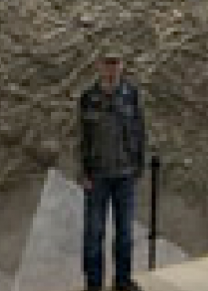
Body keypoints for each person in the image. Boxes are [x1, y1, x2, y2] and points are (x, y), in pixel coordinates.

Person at [78, 48, 147, 291]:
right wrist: (83, 171)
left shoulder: (131, 95)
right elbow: (81, 137)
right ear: (99, 65)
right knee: (94, 233)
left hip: (125, 175)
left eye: (115, 63)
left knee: (125, 233)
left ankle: (122, 280)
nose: (111, 68)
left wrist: (138, 166)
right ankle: (93, 284)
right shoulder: (88, 97)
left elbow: (140, 132)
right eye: (107, 63)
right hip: (97, 175)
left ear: (121, 65)